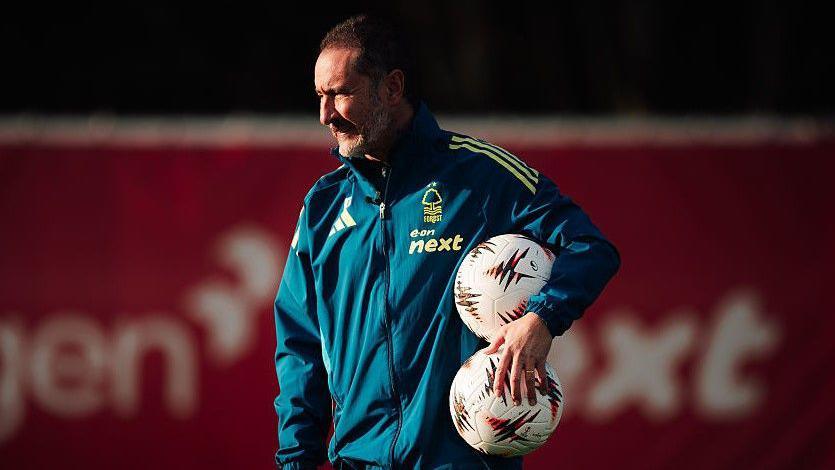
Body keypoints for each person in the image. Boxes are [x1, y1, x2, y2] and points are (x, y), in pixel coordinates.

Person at [273, 14, 620, 470]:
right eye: (320, 96)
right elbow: (300, 346)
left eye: (340, 93)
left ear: (392, 88)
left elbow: (590, 247)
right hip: (357, 461)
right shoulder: (322, 207)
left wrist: (541, 319)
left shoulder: (481, 177)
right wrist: (296, 461)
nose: (325, 115)